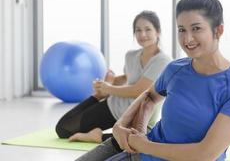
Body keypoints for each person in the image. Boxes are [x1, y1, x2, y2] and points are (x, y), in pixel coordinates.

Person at [107, 0, 230, 161]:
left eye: (196, 28)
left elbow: (204, 154)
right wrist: (126, 127)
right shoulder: (175, 68)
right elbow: (149, 96)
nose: (188, 39)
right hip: (140, 155)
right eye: (181, 29)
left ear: (218, 30)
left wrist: (142, 144)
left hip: (144, 149)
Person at [55, 10, 171, 145]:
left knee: (136, 141)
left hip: (140, 115)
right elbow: (130, 77)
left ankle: (98, 137)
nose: (142, 34)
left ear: (158, 32)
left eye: (147, 30)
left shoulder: (163, 60)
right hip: (115, 106)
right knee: (63, 129)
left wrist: (109, 88)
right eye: (138, 30)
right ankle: (97, 97)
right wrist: (110, 82)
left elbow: (139, 90)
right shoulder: (131, 55)